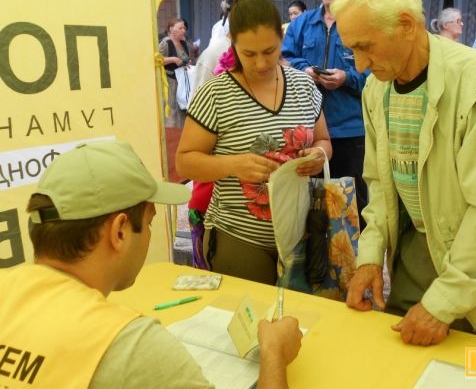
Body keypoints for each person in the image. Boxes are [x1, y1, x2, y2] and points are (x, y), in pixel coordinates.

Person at [331, 0, 476, 346]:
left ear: (406, 25)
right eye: (352, 49)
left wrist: (443, 302)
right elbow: (380, 183)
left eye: (366, 47)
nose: (361, 64)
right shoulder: (375, 90)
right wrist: (370, 256)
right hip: (417, 254)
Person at [0, 140, 302, 389]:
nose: (147, 234)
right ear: (119, 232)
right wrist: (274, 354)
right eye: (148, 223)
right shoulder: (130, 345)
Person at [176, 0, 332, 285]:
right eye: (249, 54)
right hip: (239, 238)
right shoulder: (216, 93)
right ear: (232, 44)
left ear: (281, 40)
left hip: (301, 235)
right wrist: (234, 165)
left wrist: (319, 155)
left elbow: (324, 141)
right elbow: (185, 162)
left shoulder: (302, 85)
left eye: (269, 51)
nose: (261, 63)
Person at [282, 0, 368, 227]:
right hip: (309, 131)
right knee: (311, 205)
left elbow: (375, 73)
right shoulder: (302, 24)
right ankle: (317, 253)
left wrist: (347, 78)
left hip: (349, 130)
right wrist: (305, 70)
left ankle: (356, 253)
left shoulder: (362, 23)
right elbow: (285, 59)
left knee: (351, 206)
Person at [159, 17, 190, 128]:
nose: (183, 30)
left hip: (182, 83)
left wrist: (187, 63)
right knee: (172, 111)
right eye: (180, 28)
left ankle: (181, 134)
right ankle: (171, 134)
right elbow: (158, 60)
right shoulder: (166, 43)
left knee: (183, 110)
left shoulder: (184, 43)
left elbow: (186, 59)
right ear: (171, 29)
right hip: (170, 83)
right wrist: (173, 59)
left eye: (184, 28)